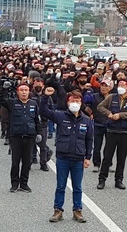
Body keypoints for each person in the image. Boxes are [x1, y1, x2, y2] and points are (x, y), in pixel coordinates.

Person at [40, 89, 93, 223]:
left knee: (78, 186)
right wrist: (46, 96)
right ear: (68, 102)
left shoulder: (86, 120)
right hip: (63, 157)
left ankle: (77, 211)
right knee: (60, 186)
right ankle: (58, 210)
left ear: (81, 103)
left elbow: (89, 139)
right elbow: (44, 111)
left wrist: (88, 157)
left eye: (77, 100)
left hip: (78, 158)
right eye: (72, 100)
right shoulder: (60, 116)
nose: (75, 103)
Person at [0, 82, 42, 193]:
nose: (24, 92)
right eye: (21, 90)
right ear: (18, 92)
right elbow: (0, 99)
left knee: (27, 162)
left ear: (29, 92)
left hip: (29, 136)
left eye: (26, 90)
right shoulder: (12, 103)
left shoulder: (33, 104)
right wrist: (4, 89)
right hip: (16, 136)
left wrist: (39, 132)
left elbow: (37, 120)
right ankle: (14, 184)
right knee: (15, 162)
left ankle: (24, 184)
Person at [96, 80, 127, 190]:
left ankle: (118, 180)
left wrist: (120, 115)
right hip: (111, 130)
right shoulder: (111, 97)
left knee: (121, 158)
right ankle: (102, 179)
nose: (120, 87)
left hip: (125, 132)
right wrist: (109, 114)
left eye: (123, 85)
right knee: (107, 156)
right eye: (119, 85)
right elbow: (100, 107)